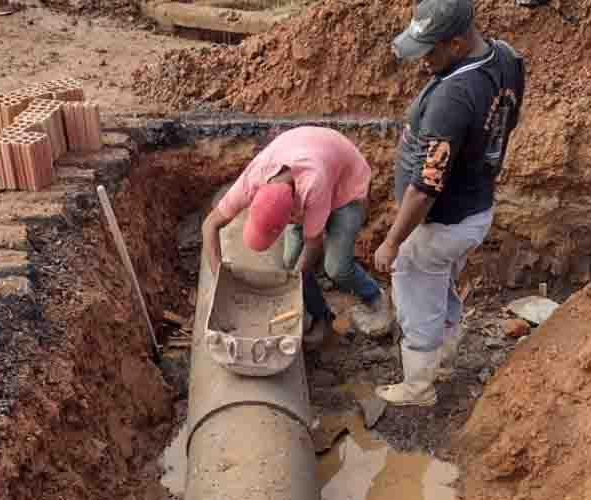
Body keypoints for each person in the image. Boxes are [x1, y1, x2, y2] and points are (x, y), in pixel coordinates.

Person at [373, 0, 526, 406]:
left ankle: (418, 388)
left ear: (456, 44)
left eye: (430, 52)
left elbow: (426, 186)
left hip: (440, 223)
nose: (424, 62)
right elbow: (507, 121)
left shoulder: (452, 97)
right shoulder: (506, 57)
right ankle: (445, 357)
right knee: (439, 283)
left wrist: (393, 242)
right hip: (474, 209)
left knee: (416, 294)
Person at [202, 126, 391, 347]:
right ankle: (322, 314)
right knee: (291, 262)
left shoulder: (313, 184)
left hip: (346, 184)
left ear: (291, 215)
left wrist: (290, 289)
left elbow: (313, 243)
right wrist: (221, 282)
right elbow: (210, 225)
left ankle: (374, 296)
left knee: (337, 268)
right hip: (311, 154)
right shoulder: (254, 178)